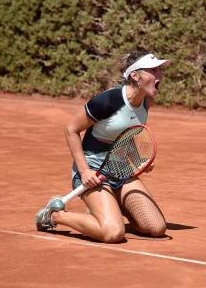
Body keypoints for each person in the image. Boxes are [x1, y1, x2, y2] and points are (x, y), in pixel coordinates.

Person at [35, 50, 170, 243]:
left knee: (156, 228)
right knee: (113, 233)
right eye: (154, 70)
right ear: (135, 75)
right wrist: (84, 172)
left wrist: (139, 161)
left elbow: (127, 133)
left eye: (160, 70)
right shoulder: (108, 100)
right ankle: (55, 215)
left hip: (120, 171)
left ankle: (107, 207)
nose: (160, 74)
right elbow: (71, 129)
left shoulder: (147, 101)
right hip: (93, 173)